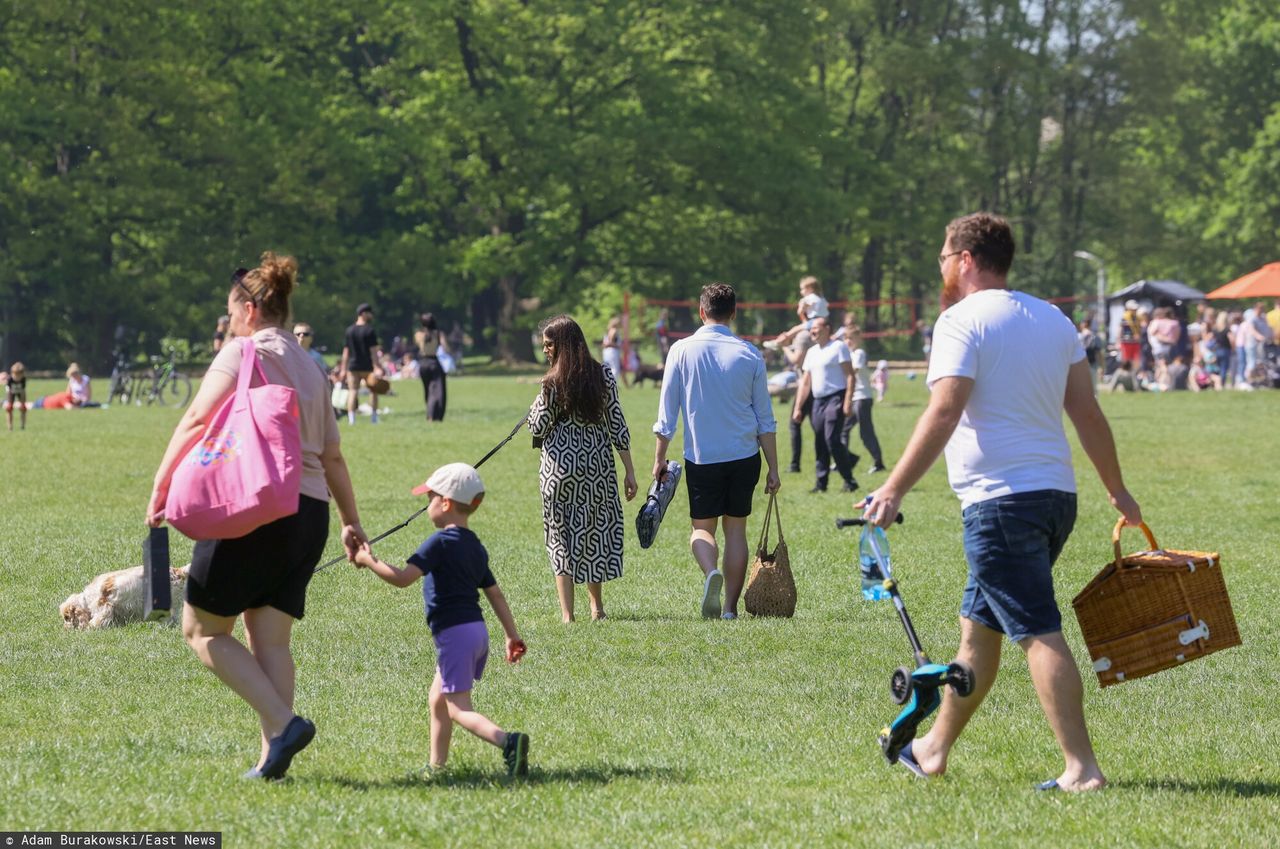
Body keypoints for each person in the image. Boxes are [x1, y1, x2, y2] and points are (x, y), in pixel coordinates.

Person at [863, 213, 1142, 793]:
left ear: (965, 258)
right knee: (977, 635)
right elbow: (1087, 413)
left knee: (1038, 631)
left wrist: (892, 489)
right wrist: (1116, 488)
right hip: (1054, 498)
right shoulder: (1053, 319)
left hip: (1000, 505)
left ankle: (1081, 769)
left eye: (943, 256)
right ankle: (933, 749)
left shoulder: (961, 321)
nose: (940, 266)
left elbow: (945, 410)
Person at [146, 252, 369, 781]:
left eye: (229, 314)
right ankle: (274, 758)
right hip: (309, 514)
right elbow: (333, 454)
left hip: (256, 505)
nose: (228, 324)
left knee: (202, 630)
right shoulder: (314, 368)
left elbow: (198, 417)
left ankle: (283, 723)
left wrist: (160, 486)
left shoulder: (241, 351)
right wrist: (349, 520)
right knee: (271, 641)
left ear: (248, 309)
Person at [351, 462, 530, 777]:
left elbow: (404, 578)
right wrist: (511, 635)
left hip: (455, 635)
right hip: (476, 632)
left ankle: (508, 742)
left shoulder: (439, 542)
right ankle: (437, 766)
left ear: (445, 503)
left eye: (430, 499)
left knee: (457, 707)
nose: (427, 506)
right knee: (438, 699)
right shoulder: (475, 546)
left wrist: (368, 560)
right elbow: (495, 594)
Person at [653, 282, 781, 620]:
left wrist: (658, 458)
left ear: (701, 311)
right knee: (736, 530)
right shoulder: (749, 353)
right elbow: (765, 418)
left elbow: (667, 415)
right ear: (734, 313)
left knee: (701, 529)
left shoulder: (681, 350)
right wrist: (774, 468)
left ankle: (711, 573)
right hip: (744, 454)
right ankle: (728, 609)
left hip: (702, 456)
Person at [530, 316, 638, 622]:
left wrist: (536, 406)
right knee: (594, 530)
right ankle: (597, 608)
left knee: (560, 534)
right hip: (597, 465)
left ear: (561, 344)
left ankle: (567, 614)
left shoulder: (551, 381)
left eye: (549, 345)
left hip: (559, 466)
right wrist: (629, 470)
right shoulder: (603, 374)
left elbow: (537, 425)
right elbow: (616, 423)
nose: (546, 351)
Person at [792, 316, 858, 494]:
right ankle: (821, 484)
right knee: (820, 441)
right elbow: (805, 383)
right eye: (811, 328)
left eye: (816, 327)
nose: (813, 331)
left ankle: (849, 480)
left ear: (828, 328)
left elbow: (850, 375)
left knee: (831, 439)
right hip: (818, 401)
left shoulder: (838, 347)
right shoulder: (812, 352)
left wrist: (848, 401)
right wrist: (798, 407)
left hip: (836, 398)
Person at [839, 326, 887, 474]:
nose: (848, 341)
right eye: (846, 338)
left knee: (866, 433)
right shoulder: (848, 355)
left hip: (862, 398)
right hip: (853, 398)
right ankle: (844, 460)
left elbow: (853, 372)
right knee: (843, 430)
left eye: (851, 338)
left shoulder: (859, 353)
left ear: (859, 339)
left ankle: (878, 463)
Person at [339, 302, 385, 424]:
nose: (371, 316)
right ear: (363, 313)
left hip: (353, 366)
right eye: (369, 313)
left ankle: (351, 419)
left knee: (353, 391)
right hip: (367, 366)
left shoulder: (349, 330)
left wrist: (343, 369)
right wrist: (377, 367)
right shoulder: (369, 330)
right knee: (373, 391)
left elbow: (346, 352)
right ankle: (374, 418)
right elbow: (373, 352)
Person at [765, 276, 828, 350]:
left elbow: (800, 312)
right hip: (825, 321)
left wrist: (801, 306)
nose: (801, 292)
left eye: (802, 289)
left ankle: (777, 342)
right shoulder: (822, 298)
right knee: (800, 328)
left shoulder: (809, 298)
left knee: (794, 330)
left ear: (810, 288)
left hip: (815, 321)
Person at [415, 313, 449, 422]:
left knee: (428, 390)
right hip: (434, 362)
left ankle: (430, 414)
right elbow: (445, 348)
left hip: (423, 363)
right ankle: (435, 415)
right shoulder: (438, 334)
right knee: (438, 391)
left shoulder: (418, 334)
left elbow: (418, 346)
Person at [601, 316, 626, 386]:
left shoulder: (608, 331)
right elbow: (610, 343)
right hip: (613, 352)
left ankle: (606, 382)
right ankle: (611, 383)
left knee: (608, 368)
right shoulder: (614, 331)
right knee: (615, 369)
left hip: (607, 352)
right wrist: (619, 346)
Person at [5, 362, 26, 431]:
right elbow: (8, 391)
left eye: (18, 376)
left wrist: (23, 402)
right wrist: (10, 402)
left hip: (20, 392)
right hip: (11, 393)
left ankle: (22, 425)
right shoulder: (10, 380)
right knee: (9, 409)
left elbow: (23, 391)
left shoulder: (23, 379)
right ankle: (10, 426)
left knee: (23, 408)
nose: (17, 378)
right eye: (15, 375)